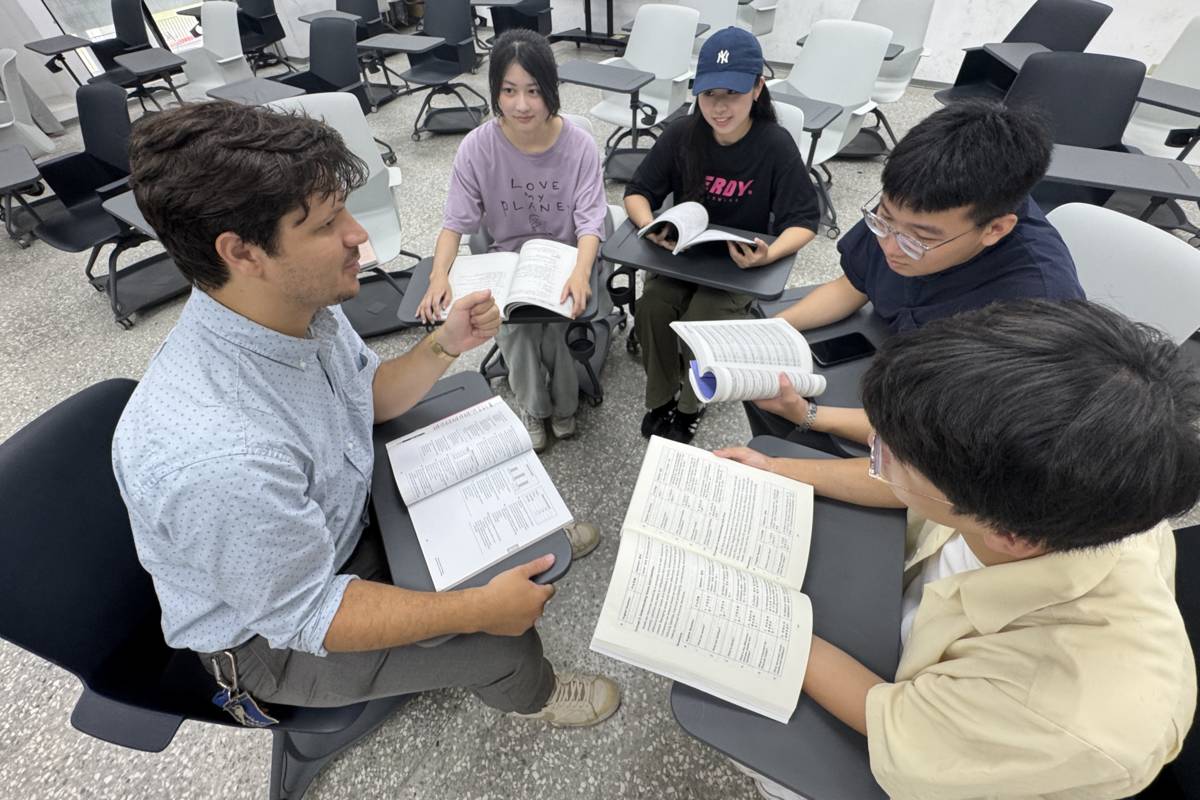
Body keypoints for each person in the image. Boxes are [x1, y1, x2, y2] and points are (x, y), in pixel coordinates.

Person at [112, 102, 619, 728]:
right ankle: (532, 692)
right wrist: (478, 610)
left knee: (462, 446)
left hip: (336, 521)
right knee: (505, 640)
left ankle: (518, 541)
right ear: (242, 252)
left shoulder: (293, 306)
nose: (362, 237)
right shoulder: (217, 456)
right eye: (328, 224)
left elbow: (362, 398)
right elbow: (309, 613)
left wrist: (443, 345)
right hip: (274, 639)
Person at [718, 299, 1199, 799]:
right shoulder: (1080, 488)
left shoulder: (1056, 713)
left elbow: (897, 721)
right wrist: (778, 469)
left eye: (885, 455)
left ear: (1007, 534)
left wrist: (766, 620)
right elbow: (931, 479)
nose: (877, 453)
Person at [748, 101, 1084, 448]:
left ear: (995, 229)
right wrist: (771, 330)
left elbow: (945, 446)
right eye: (884, 218)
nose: (890, 247)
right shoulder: (910, 211)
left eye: (920, 239)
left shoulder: (1035, 307)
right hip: (883, 371)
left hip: (939, 441)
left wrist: (808, 416)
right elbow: (852, 284)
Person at [625, 26, 820, 445]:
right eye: (710, 94)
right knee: (653, 308)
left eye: (731, 94)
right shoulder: (681, 133)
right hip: (682, 255)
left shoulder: (774, 144)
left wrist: (768, 255)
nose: (719, 106)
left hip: (738, 266)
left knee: (702, 321)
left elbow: (804, 220)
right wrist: (652, 226)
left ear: (757, 87)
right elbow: (638, 192)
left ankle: (692, 404)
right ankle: (660, 397)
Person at [417, 29, 606, 456]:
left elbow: (591, 219)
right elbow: (455, 222)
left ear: (551, 91)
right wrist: (438, 275)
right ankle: (535, 408)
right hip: (507, 262)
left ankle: (565, 406)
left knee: (557, 328)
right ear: (495, 92)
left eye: (534, 91)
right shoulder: (477, 148)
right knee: (514, 331)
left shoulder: (579, 146)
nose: (521, 104)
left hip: (563, 258)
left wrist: (581, 272)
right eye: (509, 90)